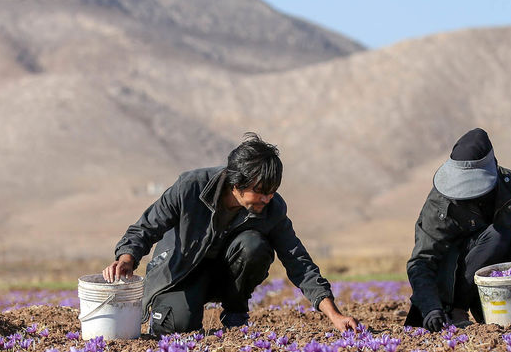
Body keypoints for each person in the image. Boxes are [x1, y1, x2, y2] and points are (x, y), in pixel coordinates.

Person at [103, 133, 359, 336]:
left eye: (272, 191)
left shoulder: (272, 208)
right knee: (177, 329)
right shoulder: (190, 188)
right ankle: (177, 306)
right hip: (181, 273)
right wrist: (127, 259)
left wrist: (333, 314)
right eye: (261, 191)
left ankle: (235, 311)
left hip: (227, 278)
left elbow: (298, 260)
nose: (268, 198)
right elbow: (147, 227)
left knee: (254, 246)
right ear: (236, 184)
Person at [405, 128, 511, 331]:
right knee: (497, 235)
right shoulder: (440, 202)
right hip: (451, 281)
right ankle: (456, 309)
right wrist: (431, 307)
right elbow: (421, 261)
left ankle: (485, 311)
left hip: (492, 279)